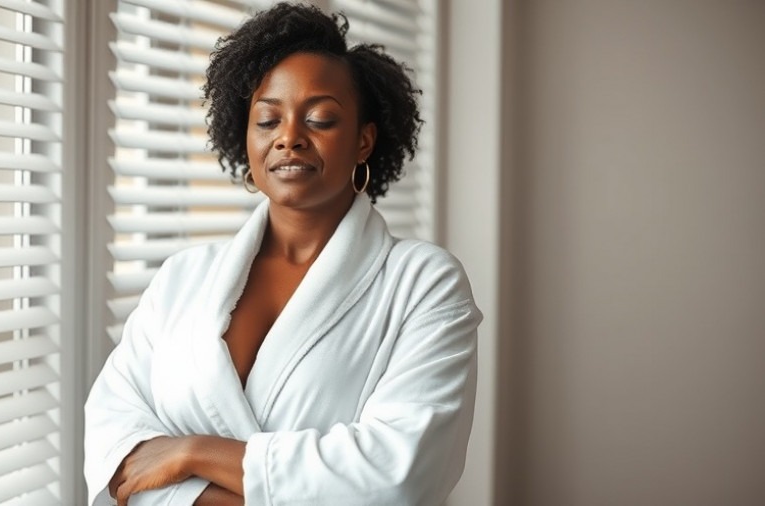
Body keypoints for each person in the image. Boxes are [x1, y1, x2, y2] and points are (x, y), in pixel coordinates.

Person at [84, 3, 482, 505]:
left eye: (320, 119)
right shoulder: (182, 278)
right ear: (244, 137)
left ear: (364, 140)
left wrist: (193, 452)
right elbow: (114, 443)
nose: (289, 138)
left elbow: (398, 474)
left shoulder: (424, 283)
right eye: (268, 119)